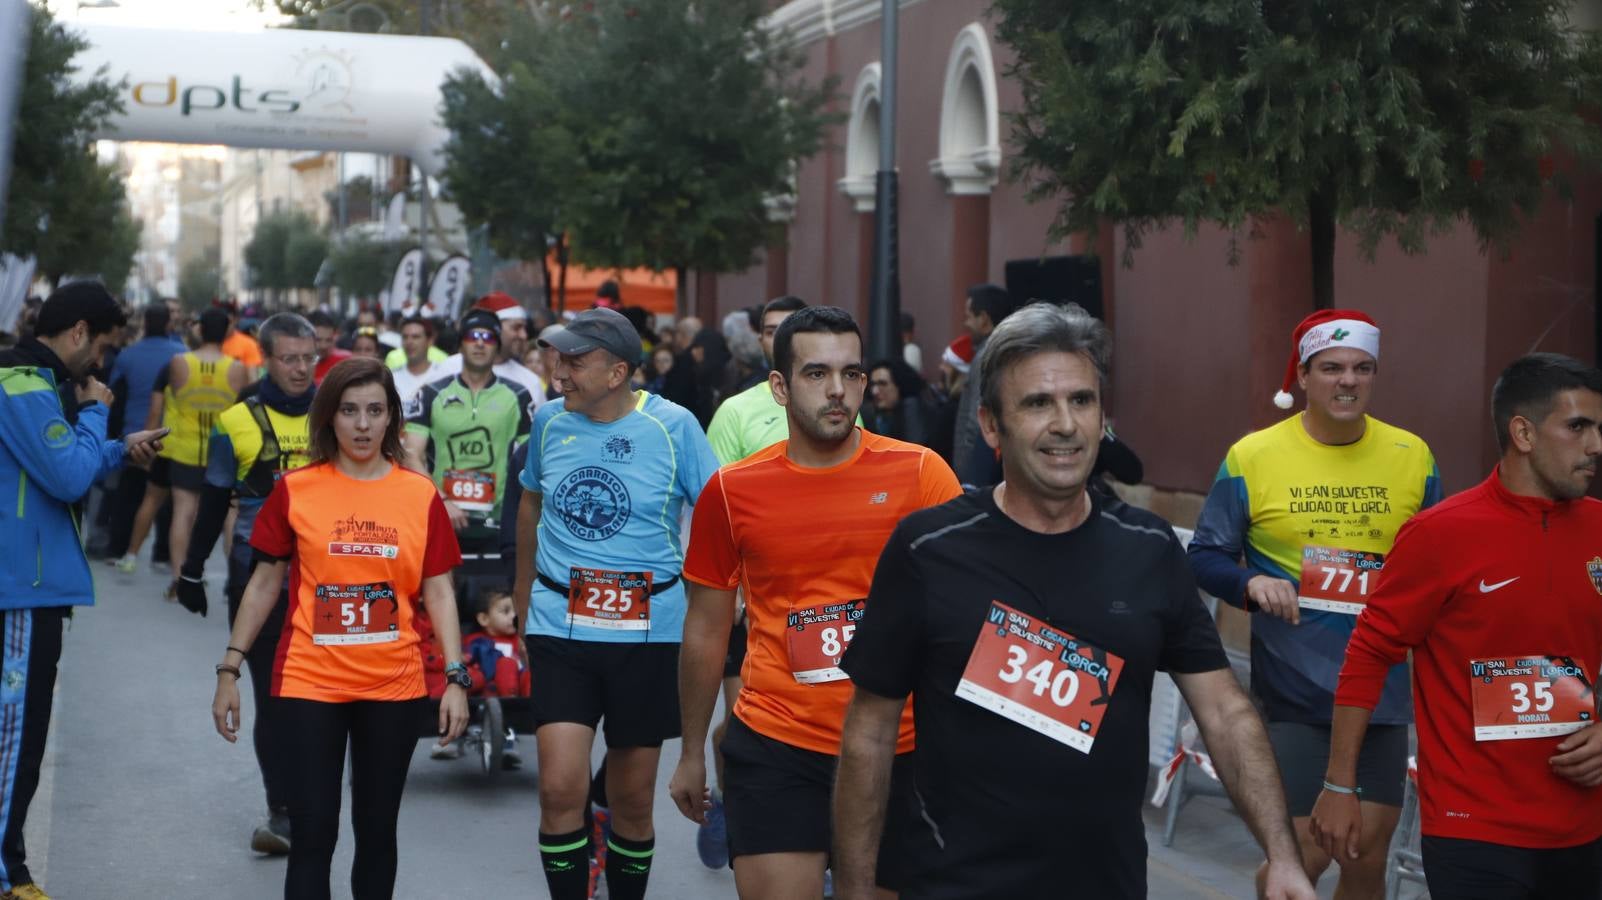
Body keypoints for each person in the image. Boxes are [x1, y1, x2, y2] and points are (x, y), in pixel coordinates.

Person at [832, 302, 1316, 900]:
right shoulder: (928, 550)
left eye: (1082, 401)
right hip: (955, 883)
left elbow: (1223, 712)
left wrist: (1283, 856)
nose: (1066, 424)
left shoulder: (1149, 548)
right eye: (1039, 403)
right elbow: (870, 736)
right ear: (991, 425)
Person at [671, 306, 961, 898]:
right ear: (779, 386)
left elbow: (962, 612)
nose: (837, 390)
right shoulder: (731, 492)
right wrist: (692, 751)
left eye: (851, 373)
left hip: (897, 746)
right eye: (816, 373)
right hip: (779, 742)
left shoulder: (920, 474)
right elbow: (705, 629)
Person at [1313, 354, 1602, 899]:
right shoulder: (1440, 534)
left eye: (1598, 428)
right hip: (1474, 829)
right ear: (1522, 432)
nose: (1596, 447)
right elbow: (1369, 655)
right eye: (1578, 427)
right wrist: (1338, 784)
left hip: (1583, 828)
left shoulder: (1599, 528)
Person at [1187, 309, 1440, 897]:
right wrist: (1249, 585)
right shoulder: (1253, 455)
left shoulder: (1413, 456)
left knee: (1365, 854)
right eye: (1331, 368)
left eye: (1361, 368)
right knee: (1304, 857)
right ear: (1303, 376)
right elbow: (1204, 556)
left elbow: (1437, 564)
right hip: (1295, 690)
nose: (1347, 381)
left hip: (1382, 691)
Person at [211, 357, 469, 900]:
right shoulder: (296, 489)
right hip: (310, 682)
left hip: (393, 686)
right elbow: (262, 585)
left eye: (375, 411)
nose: (362, 424)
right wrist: (229, 669)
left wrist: (455, 679)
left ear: (392, 420)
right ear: (329, 418)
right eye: (349, 411)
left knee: (377, 835)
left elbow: (439, 591)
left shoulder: (419, 495)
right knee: (313, 835)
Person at [512, 307, 720, 900]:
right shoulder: (550, 422)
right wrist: (525, 594)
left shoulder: (674, 426)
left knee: (630, 801)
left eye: (576, 361)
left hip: (649, 633)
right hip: (562, 625)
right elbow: (530, 505)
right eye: (557, 358)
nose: (559, 373)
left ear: (619, 371)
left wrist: (721, 599)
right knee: (559, 789)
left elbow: (718, 515)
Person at [0, 283, 166, 900]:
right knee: (16, 735)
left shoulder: (35, 384)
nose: (101, 365)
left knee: (24, 731)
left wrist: (120, 448)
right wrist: (98, 412)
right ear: (76, 334)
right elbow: (68, 476)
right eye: (100, 349)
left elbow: (57, 465)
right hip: (20, 587)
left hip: (29, 583)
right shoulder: (21, 382)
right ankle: (7, 871)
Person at [174, 312, 318, 852]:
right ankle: (282, 811)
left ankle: (314, 799)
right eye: (290, 358)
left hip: (332, 585)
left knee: (321, 703)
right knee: (277, 700)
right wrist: (190, 572)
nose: (302, 368)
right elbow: (212, 506)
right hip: (259, 584)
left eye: (309, 357)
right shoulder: (236, 421)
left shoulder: (339, 411)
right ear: (266, 359)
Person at [120, 307, 247, 595]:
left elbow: (166, 404)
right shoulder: (238, 369)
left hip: (185, 449)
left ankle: (179, 579)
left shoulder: (178, 363)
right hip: (225, 450)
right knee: (230, 516)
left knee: (183, 513)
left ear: (199, 330)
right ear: (227, 332)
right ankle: (234, 579)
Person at [402, 309, 535, 540]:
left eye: (488, 338)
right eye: (472, 337)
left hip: (499, 519)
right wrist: (441, 500)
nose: (480, 344)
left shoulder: (519, 395)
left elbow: (533, 459)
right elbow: (411, 456)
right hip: (442, 515)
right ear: (460, 345)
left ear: (497, 346)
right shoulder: (430, 393)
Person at [102, 305, 186, 562]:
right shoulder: (182, 355)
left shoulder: (127, 356)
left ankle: (118, 547)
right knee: (168, 500)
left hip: (132, 434)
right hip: (170, 437)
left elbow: (112, 391)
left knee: (128, 497)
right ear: (169, 324)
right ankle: (163, 554)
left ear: (144, 324)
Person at [949, 283, 1018, 484]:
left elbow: (974, 420)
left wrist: (967, 475)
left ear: (984, 319)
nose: (966, 323)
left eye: (969, 316)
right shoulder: (1003, 350)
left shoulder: (987, 355)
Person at [433, 293, 545, 401]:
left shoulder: (530, 381)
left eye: (524, 329)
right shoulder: (449, 368)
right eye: (516, 328)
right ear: (494, 329)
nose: (523, 335)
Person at [867, 357, 935, 448]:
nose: (874, 391)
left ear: (899, 385)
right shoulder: (880, 415)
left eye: (882, 384)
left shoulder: (912, 409)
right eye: (873, 384)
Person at [388, 315, 444, 404]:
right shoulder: (391, 378)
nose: (409, 342)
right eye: (405, 337)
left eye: (416, 337)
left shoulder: (443, 375)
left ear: (430, 341)